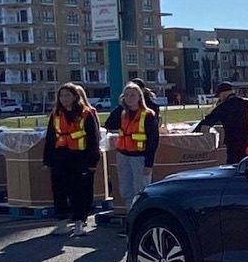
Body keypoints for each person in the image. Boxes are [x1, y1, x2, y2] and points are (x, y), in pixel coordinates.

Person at [41, 81, 101, 235]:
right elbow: (50, 138)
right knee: (59, 190)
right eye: (61, 95)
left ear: (75, 97)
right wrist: (47, 160)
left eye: (67, 95)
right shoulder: (56, 115)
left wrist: (93, 161)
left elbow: (93, 138)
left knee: (78, 191)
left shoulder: (86, 113)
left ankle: (79, 221)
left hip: (80, 157)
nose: (64, 98)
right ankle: (61, 221)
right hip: (60, 157)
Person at [106, 82, 159, 218]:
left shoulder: (147, 115)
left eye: (133, 95)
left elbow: (153, 141)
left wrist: (149, 164)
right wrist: (120, 106)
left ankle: (143, 218)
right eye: (127, 95)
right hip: (123, 155)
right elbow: (109, 123)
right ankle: (131, 217)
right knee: (126, 189)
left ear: (139, 97)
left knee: (141, 190)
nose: (129, 98)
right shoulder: (122, 113)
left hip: (140, 157)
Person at [195, 81, 248, 163]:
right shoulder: (247, 103)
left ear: (224, 93)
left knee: (233, 168)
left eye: (219, 96)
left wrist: (192, 133)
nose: (219, 98)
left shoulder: (223, 107)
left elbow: (207, 122)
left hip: (233, 144)